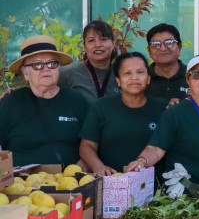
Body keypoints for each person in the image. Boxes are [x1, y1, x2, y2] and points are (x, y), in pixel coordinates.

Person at [127, 54, 199, 194]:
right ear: (188, 80)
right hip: (188, 195)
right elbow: (156, 148)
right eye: (197, 74)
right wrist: (142, 161)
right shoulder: (175, 112)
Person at [1, 35, 88, 167]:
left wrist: (86, 162)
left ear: (58, 68)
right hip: (22, 179)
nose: (46, 68)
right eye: (37, 65)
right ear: (26, 74)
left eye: (52, 63)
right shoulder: (9, 104)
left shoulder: (77, 100)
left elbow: (93, 144)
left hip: (69, 178)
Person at [80, 52, 167, 176]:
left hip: (153, 184)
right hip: (111, 181)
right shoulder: (102, 107)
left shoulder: (162, 108)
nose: (134, 78)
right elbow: (87, 146)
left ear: (148, 78)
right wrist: (98, 166)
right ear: (118, 80)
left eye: (140, 72)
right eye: (127, 73)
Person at [59, 20, 120, 103]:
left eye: (103, 39)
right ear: (85, 47)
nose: (97, 45)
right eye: (91, 40)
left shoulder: (122, 73)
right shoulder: (67, 74)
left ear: (113, 44)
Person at [145, 23, 188, 102]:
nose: (163, 48)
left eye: (169, 43)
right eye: (156, 44)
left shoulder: (193, 76)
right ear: (149, 51)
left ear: (179, 48)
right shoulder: (143, 78)